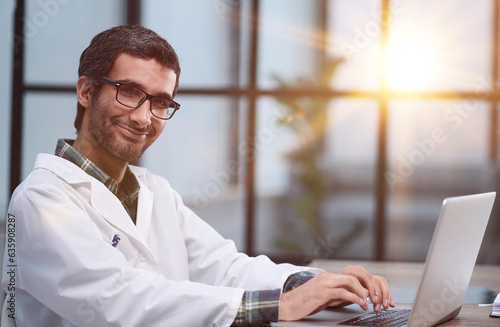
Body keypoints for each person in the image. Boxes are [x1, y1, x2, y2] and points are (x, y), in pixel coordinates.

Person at [1, 25, 395, 326]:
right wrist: (283, 305)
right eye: (128, 91)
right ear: (86, 92)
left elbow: (225, 267)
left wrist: (318, 283)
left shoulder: (155, 191)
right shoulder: (41, 199)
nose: (143, 117)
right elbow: (116, 299)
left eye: (159, 102)